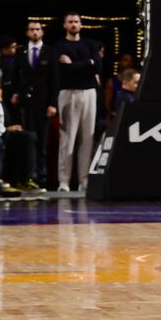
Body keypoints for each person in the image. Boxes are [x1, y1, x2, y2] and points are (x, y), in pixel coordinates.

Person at [55, 13, 101, 192]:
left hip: (89, 93)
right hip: (68, 92)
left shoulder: (90, 44)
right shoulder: (60, 46)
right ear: (65, 26)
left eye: (76, 22)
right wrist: (86, 63)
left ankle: (84, 180)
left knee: (87, 138)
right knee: (67, 138)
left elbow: (97, 66)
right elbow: (64, 70)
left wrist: (76, 64)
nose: (74, 25)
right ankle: (64, 181)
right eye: (70, 22)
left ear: (81, 25)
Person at [13, 21, 58, 188]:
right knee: (29, 140)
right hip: (26, 103)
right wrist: (17, 93)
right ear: (27, 33)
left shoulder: (50, 52)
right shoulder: (20, 52)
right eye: (31, 30)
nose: (34, 32)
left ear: (42, 32)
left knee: (42, 142)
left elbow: (55, 80)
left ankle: (42, 177)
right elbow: (16, 76)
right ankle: (29, 176)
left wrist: (53, 104)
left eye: (37, 29)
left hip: (44, 103)